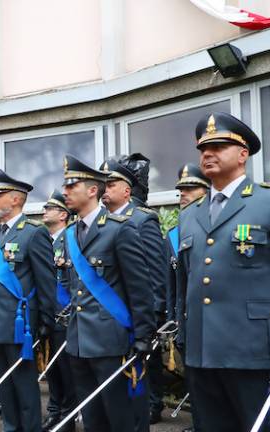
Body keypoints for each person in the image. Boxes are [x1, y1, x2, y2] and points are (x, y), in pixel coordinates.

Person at [176, 112, 270, 431]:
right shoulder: (190, 215)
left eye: (219, 146)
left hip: (255, 351)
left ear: (243, 154)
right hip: (202, 352)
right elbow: (186, 282)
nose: (208, 153)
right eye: (204, 148)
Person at [61, 154, 155, 432]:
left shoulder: (120, 230)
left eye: (71, 186)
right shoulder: (70, 233)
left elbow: (139, 287)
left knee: (121, 418)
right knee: (93, 420)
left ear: (92, 190)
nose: (65, 192)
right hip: (79, 342)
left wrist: (143, 335)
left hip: (112, 342)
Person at [0, 169, 55, 432]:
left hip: (20, 325)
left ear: (15, 199)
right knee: (4, 386)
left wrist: (45, 321)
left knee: (24, 386)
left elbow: (45, 282)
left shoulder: (33, 233)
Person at [101, 154, 168, 430]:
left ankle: (152, 404)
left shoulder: (142, 220)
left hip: (135, 316)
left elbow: (155, 271)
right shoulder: (100, 223)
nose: (105, 188)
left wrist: (151, 317)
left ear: (127, 189)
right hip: (108, 320)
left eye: (111, 183)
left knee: (137, 381)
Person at [166, 163, 210, 432]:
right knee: (194, 380)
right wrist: (174, 318)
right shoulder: (174, 232)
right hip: (187, 319)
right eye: (181, 189)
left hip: (217, 322)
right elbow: (174, 282)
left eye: (190, 188)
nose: (183, 194)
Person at [41, 189, 78, 432]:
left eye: (49, 208)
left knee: (66, 369)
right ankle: (54, 411)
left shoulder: (72, 238)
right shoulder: (45, 240)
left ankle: (67, 415)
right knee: (51, 368)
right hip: (48, 314)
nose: (44, 212)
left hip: (65, 315)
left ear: (63, 214)